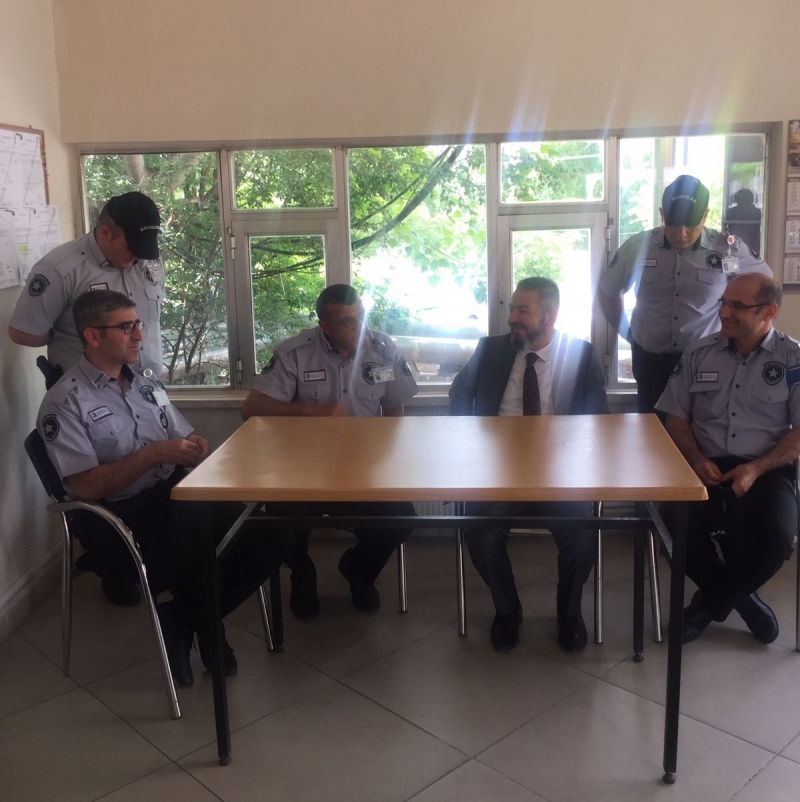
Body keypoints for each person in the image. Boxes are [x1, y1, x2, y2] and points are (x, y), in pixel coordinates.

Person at [37, 289, 290, 687]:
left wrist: (193, 446)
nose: (139, 335)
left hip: (174, 492)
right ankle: (209, 630)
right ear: (92, 336)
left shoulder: (145, 384)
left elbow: (180, 436)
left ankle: (182, 621)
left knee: (275, 532)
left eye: (137, 324)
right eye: (126, 327)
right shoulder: (65, 402)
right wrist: (155, 454)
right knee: (197, 545)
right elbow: (87, 486)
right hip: (119, 514)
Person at [449, 276, 609, 653]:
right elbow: (459, 394)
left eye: (523, 310)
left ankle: (569, 614)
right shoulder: (491, 350)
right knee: (481, 534)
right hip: (498, 470)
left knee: (581, 535)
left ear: (549, 316)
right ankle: (507, 611)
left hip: (559, 471)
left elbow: (599, 421)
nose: (512, 318)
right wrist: (467, 441)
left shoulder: (581, 354)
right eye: (512, 309)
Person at [240, 283, 419, 617]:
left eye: (361, 316)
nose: (359, 327)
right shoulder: (295, 352)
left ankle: (358, 570)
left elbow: (395, 409)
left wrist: (391, 463)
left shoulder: (382, 348)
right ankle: (302, 573)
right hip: (304, 470)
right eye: (347, 322)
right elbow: (251, 409)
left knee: (402, 519)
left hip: (365, 470)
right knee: (279, 522)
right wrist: (311, 410)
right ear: (324, 325)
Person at [656, 273, 800, 645]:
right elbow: (675, 416)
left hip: (764, 468)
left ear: (768, 312)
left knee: (778, 539)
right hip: (702, 465)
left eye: (737, 306)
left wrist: (755, 469)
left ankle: (708, 605)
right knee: (672, 524)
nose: (724, 312)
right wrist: (695, 459)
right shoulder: (698, 352)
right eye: (723, 302)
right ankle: (743, 601)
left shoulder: (793, 358)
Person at [596, 175, 769, 414]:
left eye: (690, 225)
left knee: (704, 427)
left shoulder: (727, 249)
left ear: (705, 216)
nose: (681, 233)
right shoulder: (637, 247)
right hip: (651, 360)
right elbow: (607, 290)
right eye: (673, 224)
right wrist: (628, 333)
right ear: (662, 214)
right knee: (652, 428)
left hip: (707, 360)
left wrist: (740, 332)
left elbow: (765, 288)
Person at [10, 191, 165, 381]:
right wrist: (69, 334)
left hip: (149, 387)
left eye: (144, 249)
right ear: (105, 233)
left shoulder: (148, 261)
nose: (138, 257)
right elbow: (23, 333)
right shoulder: (59, 269)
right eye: (131, 248)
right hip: (87, 393)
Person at [723, 188, 762, 257]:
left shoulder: (731, 212)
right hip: (747, 247)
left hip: (741, 247)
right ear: (752, 199)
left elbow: (725, 230)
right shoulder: (758, 212)